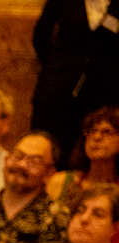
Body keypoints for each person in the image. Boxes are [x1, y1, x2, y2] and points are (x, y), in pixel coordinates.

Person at [31, 0, 119, 147]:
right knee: (48, 145)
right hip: (57, 92)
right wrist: (58, 68)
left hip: (103, 93)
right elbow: (41, 37)